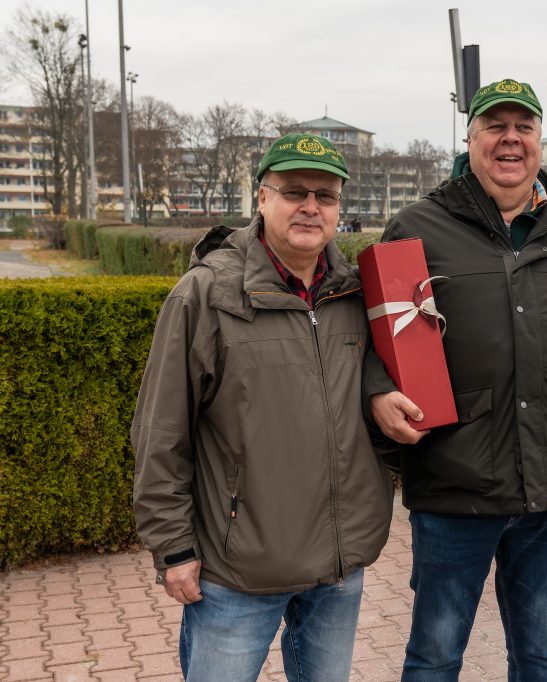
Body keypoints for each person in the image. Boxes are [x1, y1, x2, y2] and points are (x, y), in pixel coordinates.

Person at [132, 132, 394, 681]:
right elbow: (161, 432)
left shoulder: (354, 294)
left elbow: (367, 393)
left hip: (339, 567)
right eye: (294, 191)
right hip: (238, 570)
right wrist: (174, 548)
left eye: (325, 196)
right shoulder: (205, 296)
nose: (310, 207)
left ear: (338, 208)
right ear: (261, 198)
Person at [367, 78, 547, 681]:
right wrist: (376, 390)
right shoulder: (417, 225)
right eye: (494, 126)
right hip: (455, 481)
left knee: (541, 655)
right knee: (435, 654)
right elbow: (367, 334)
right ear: (470, 139)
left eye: (523, 127)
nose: (510, 139)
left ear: (539, 142)